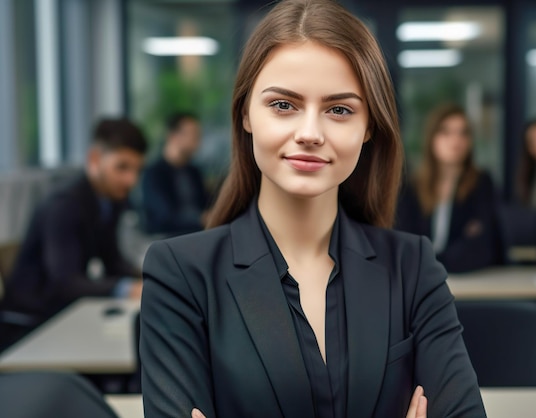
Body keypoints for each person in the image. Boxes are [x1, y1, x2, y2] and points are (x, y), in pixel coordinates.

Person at [140, 1, 486, 417]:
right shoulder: (181, 275)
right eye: (283, 105)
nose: (309, 133)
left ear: (368, 127)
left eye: (339, 110)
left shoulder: (413, 267)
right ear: (246, 113)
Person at [0, 118, 146, 348]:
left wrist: (150, 277)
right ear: (95, 159)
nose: (131, 180)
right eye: (122, 167)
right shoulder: (64, 205)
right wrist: (126, 288)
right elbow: (65, 283)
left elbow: (112, 260)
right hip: (31, 325)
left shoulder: (109, 199)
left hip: (63, 314)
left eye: (137, 170)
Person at [395, 104, 501, 273]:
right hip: (419, 280)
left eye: (463, 133)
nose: (456, 140)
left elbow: (480, 245)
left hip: (470, 279)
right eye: (445, 132)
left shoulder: (482, 183)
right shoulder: (411, 185)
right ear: (431, 138)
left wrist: (434, 262)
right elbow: (405, 241)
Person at [141, 112, 211, 236]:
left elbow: (206, 203)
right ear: (173, 136)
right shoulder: (153, 174)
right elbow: (163, 216)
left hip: (199, 235)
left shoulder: (194, 172)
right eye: (193, 134)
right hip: (168, 239)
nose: (198, 140)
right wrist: (201, 219)